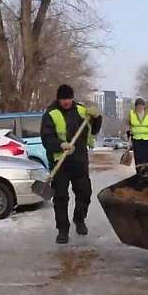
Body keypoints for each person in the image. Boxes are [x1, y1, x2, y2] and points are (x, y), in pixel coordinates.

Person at [40, 85, 102, 244]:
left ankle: (79, 219)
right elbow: (47, 138)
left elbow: (93, 130)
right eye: (63, 99)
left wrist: (97, 118)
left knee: (85, 193)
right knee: (60, 198)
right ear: (58, 99)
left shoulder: (82, 111)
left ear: (72, 98)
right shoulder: (50, 114)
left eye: (69, 98)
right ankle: (62, 230)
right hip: (60, 163)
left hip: (79, 161)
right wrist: (60, 145)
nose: (66, 101)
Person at [127, 98, 148, 167]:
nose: (139, 107)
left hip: (146, 138)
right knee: (138, 156)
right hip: (135, 138)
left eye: (141, 106)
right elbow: (126, 123)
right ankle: (139, 170)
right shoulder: (131, 113)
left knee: (145, 156)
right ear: (135, 106)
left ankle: (145, 170)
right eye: (138, 106)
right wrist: (127, 131)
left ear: (144, 106)